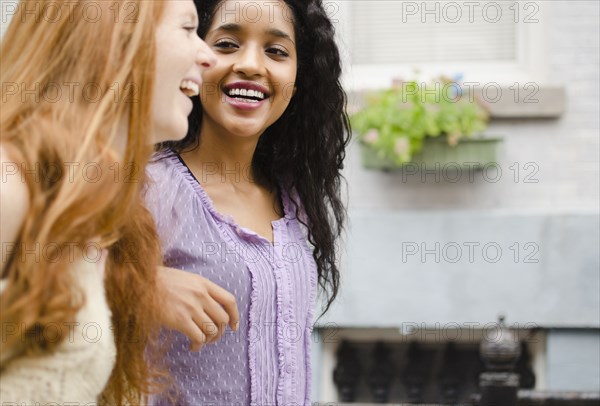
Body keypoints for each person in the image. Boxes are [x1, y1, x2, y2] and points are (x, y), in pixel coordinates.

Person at [0, 0, 215, 403]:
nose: (207, 55)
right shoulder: (10, 183)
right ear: (117, 37)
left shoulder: (96, 211)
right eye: (188, 29)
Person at [144, 0, 351, 403]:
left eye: (276, 51)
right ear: (195, 56)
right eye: (227, 44)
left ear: (299, 76)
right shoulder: (151, 186)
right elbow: (46, 283)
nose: (251, 65)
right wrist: (141, 286)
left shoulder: (293, 197)